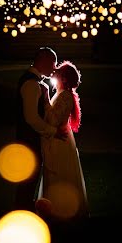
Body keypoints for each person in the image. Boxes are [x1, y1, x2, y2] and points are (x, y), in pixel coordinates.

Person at [39, 60, 89, 223]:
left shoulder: (65, 96)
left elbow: (53, 120)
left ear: (65, 79)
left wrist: (46, 99)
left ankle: (59, 213)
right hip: (58, 139)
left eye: (58, 72)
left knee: (58, 173)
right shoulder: (61, 94)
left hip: (60, 143)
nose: (54, 72)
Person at [14, 46, 60, 211]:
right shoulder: (31, 84)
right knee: (27, 184)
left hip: (29, 141)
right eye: (53, 63)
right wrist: (54, 131)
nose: (55, 68)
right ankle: (21, 214)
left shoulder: (37, 83)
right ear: (44, 61)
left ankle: (23, 211)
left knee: (28, 184)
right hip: (28, 142)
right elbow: (31, 118)